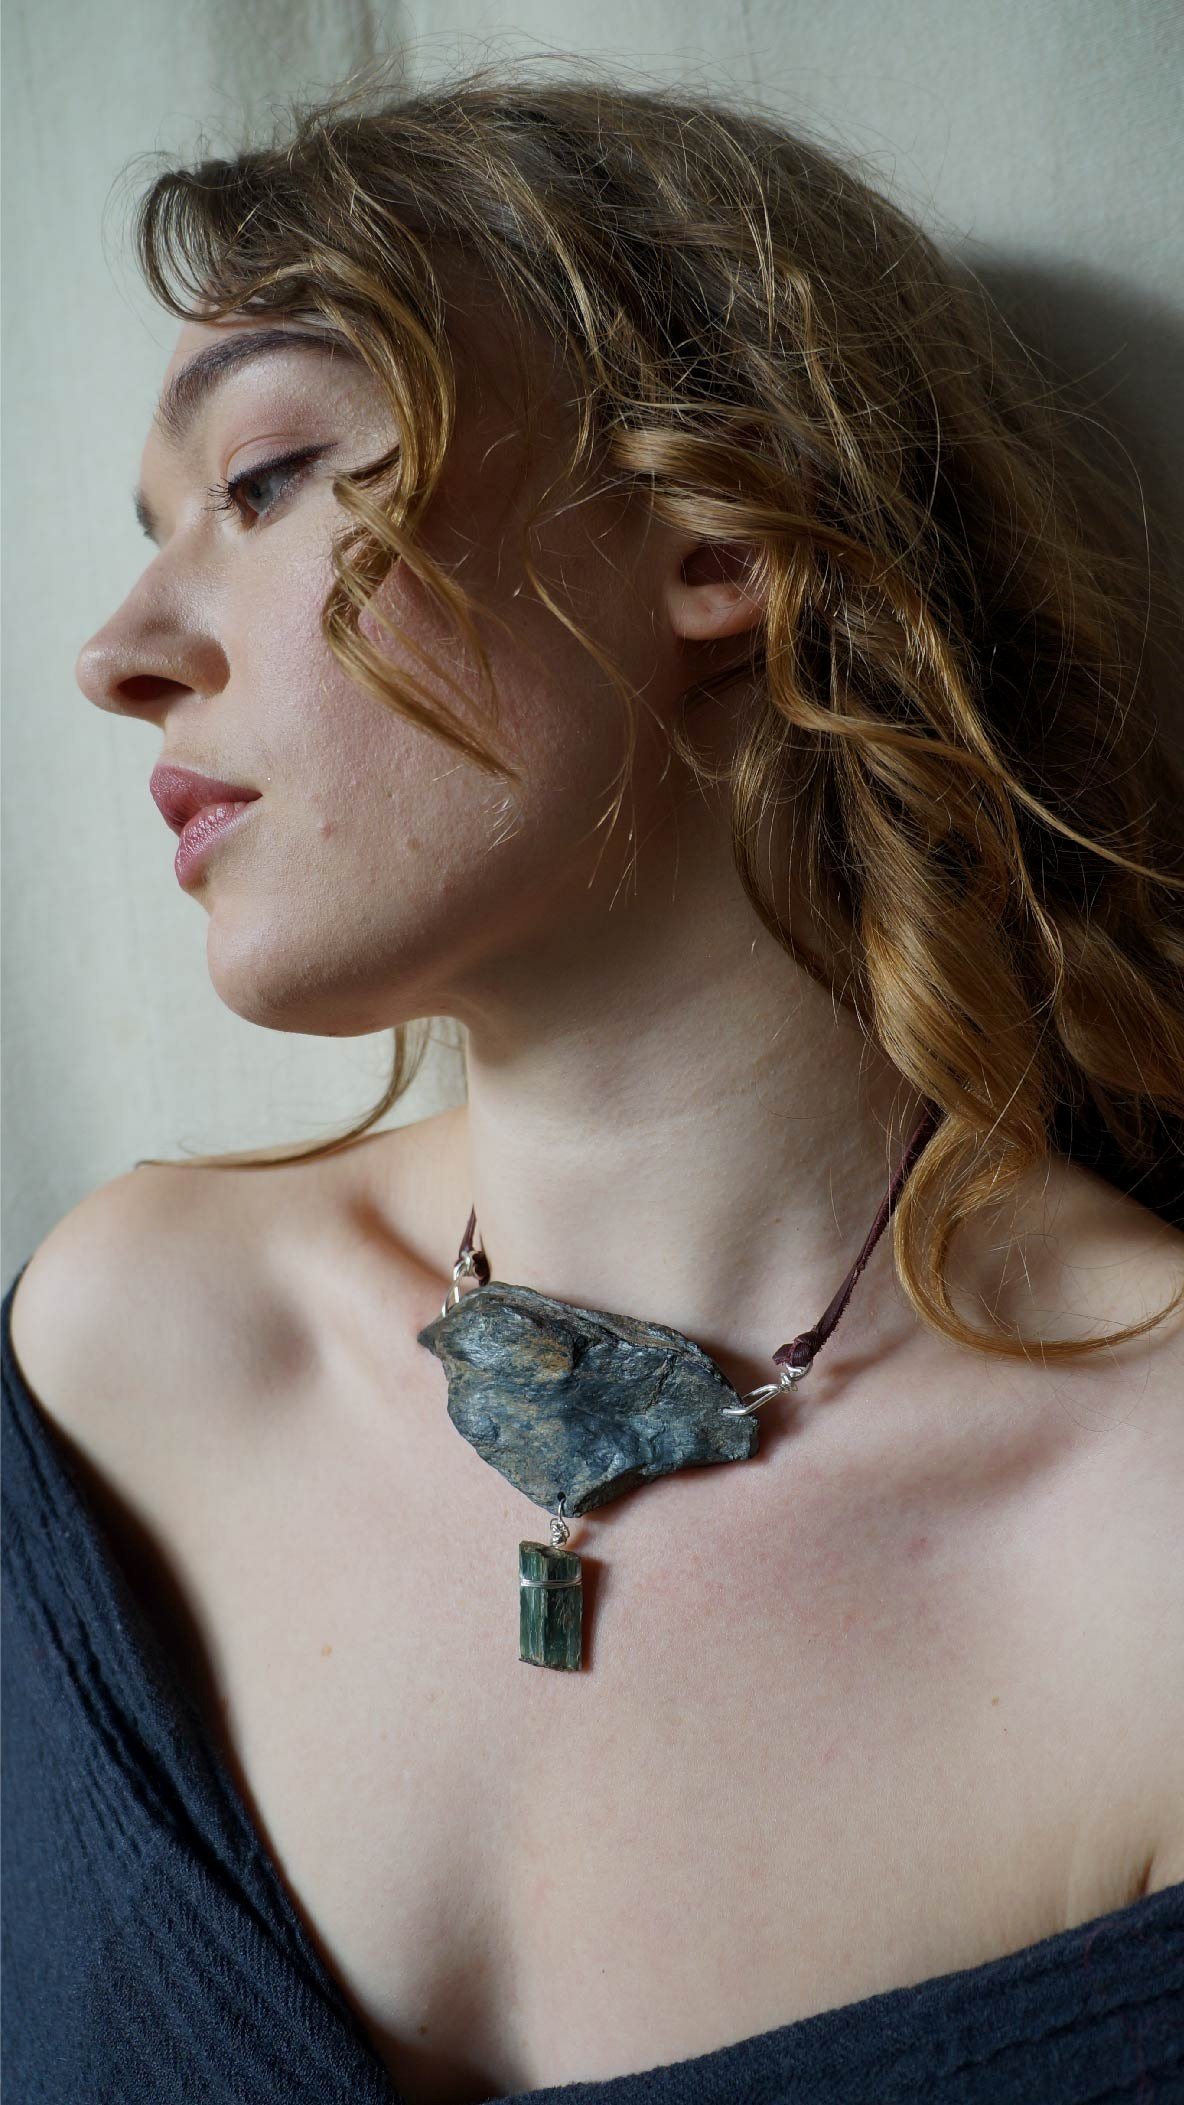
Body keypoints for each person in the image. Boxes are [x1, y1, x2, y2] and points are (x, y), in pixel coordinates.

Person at [4, 58, 1182, 2105]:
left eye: (264, 479)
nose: (118, 652)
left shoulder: (1148, 1559)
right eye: (151, 533)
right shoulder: (125, 1359)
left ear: (716, 535)